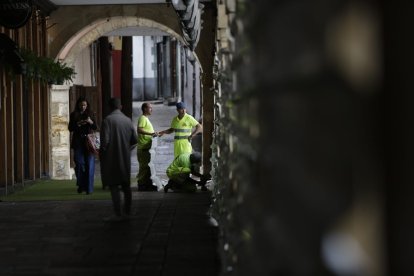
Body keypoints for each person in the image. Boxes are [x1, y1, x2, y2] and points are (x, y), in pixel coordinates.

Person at [99, 98, 138, 222]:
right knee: (126, 186)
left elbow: (105, 142)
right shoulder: (127, 120)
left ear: (110, 107)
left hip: (111, 158)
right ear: (120, 107)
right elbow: (135, 140)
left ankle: (118, 213)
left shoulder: (107, 121)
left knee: (114, 186)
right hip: (124, 157)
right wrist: (127, 149)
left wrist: (102, 154)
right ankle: (127, 211)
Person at [68, 97, 98, 194]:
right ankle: (81, 184)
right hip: (78, 142)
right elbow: (70, 128)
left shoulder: (91, 114)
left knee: (90, 165)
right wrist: (78, 124)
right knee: (79, 163)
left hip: (89, 141)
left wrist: (90, 122)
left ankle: (89, 188)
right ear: (78, 105)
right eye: (81, 105)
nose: (83, 107)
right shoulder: (74, 115)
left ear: (87, 105)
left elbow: (96, 127)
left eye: (84, 105)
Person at [137, 102, 158, 191]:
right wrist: (151, 133)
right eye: (150, 108)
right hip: (143, 148)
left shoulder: (146, 118)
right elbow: (139, 130)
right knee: (144, 167)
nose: (151, 109)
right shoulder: (142, 118)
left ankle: (148, 184)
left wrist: (154, 134)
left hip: (147, 147)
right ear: (145, 109)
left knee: (148, 167)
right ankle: (141, 185)